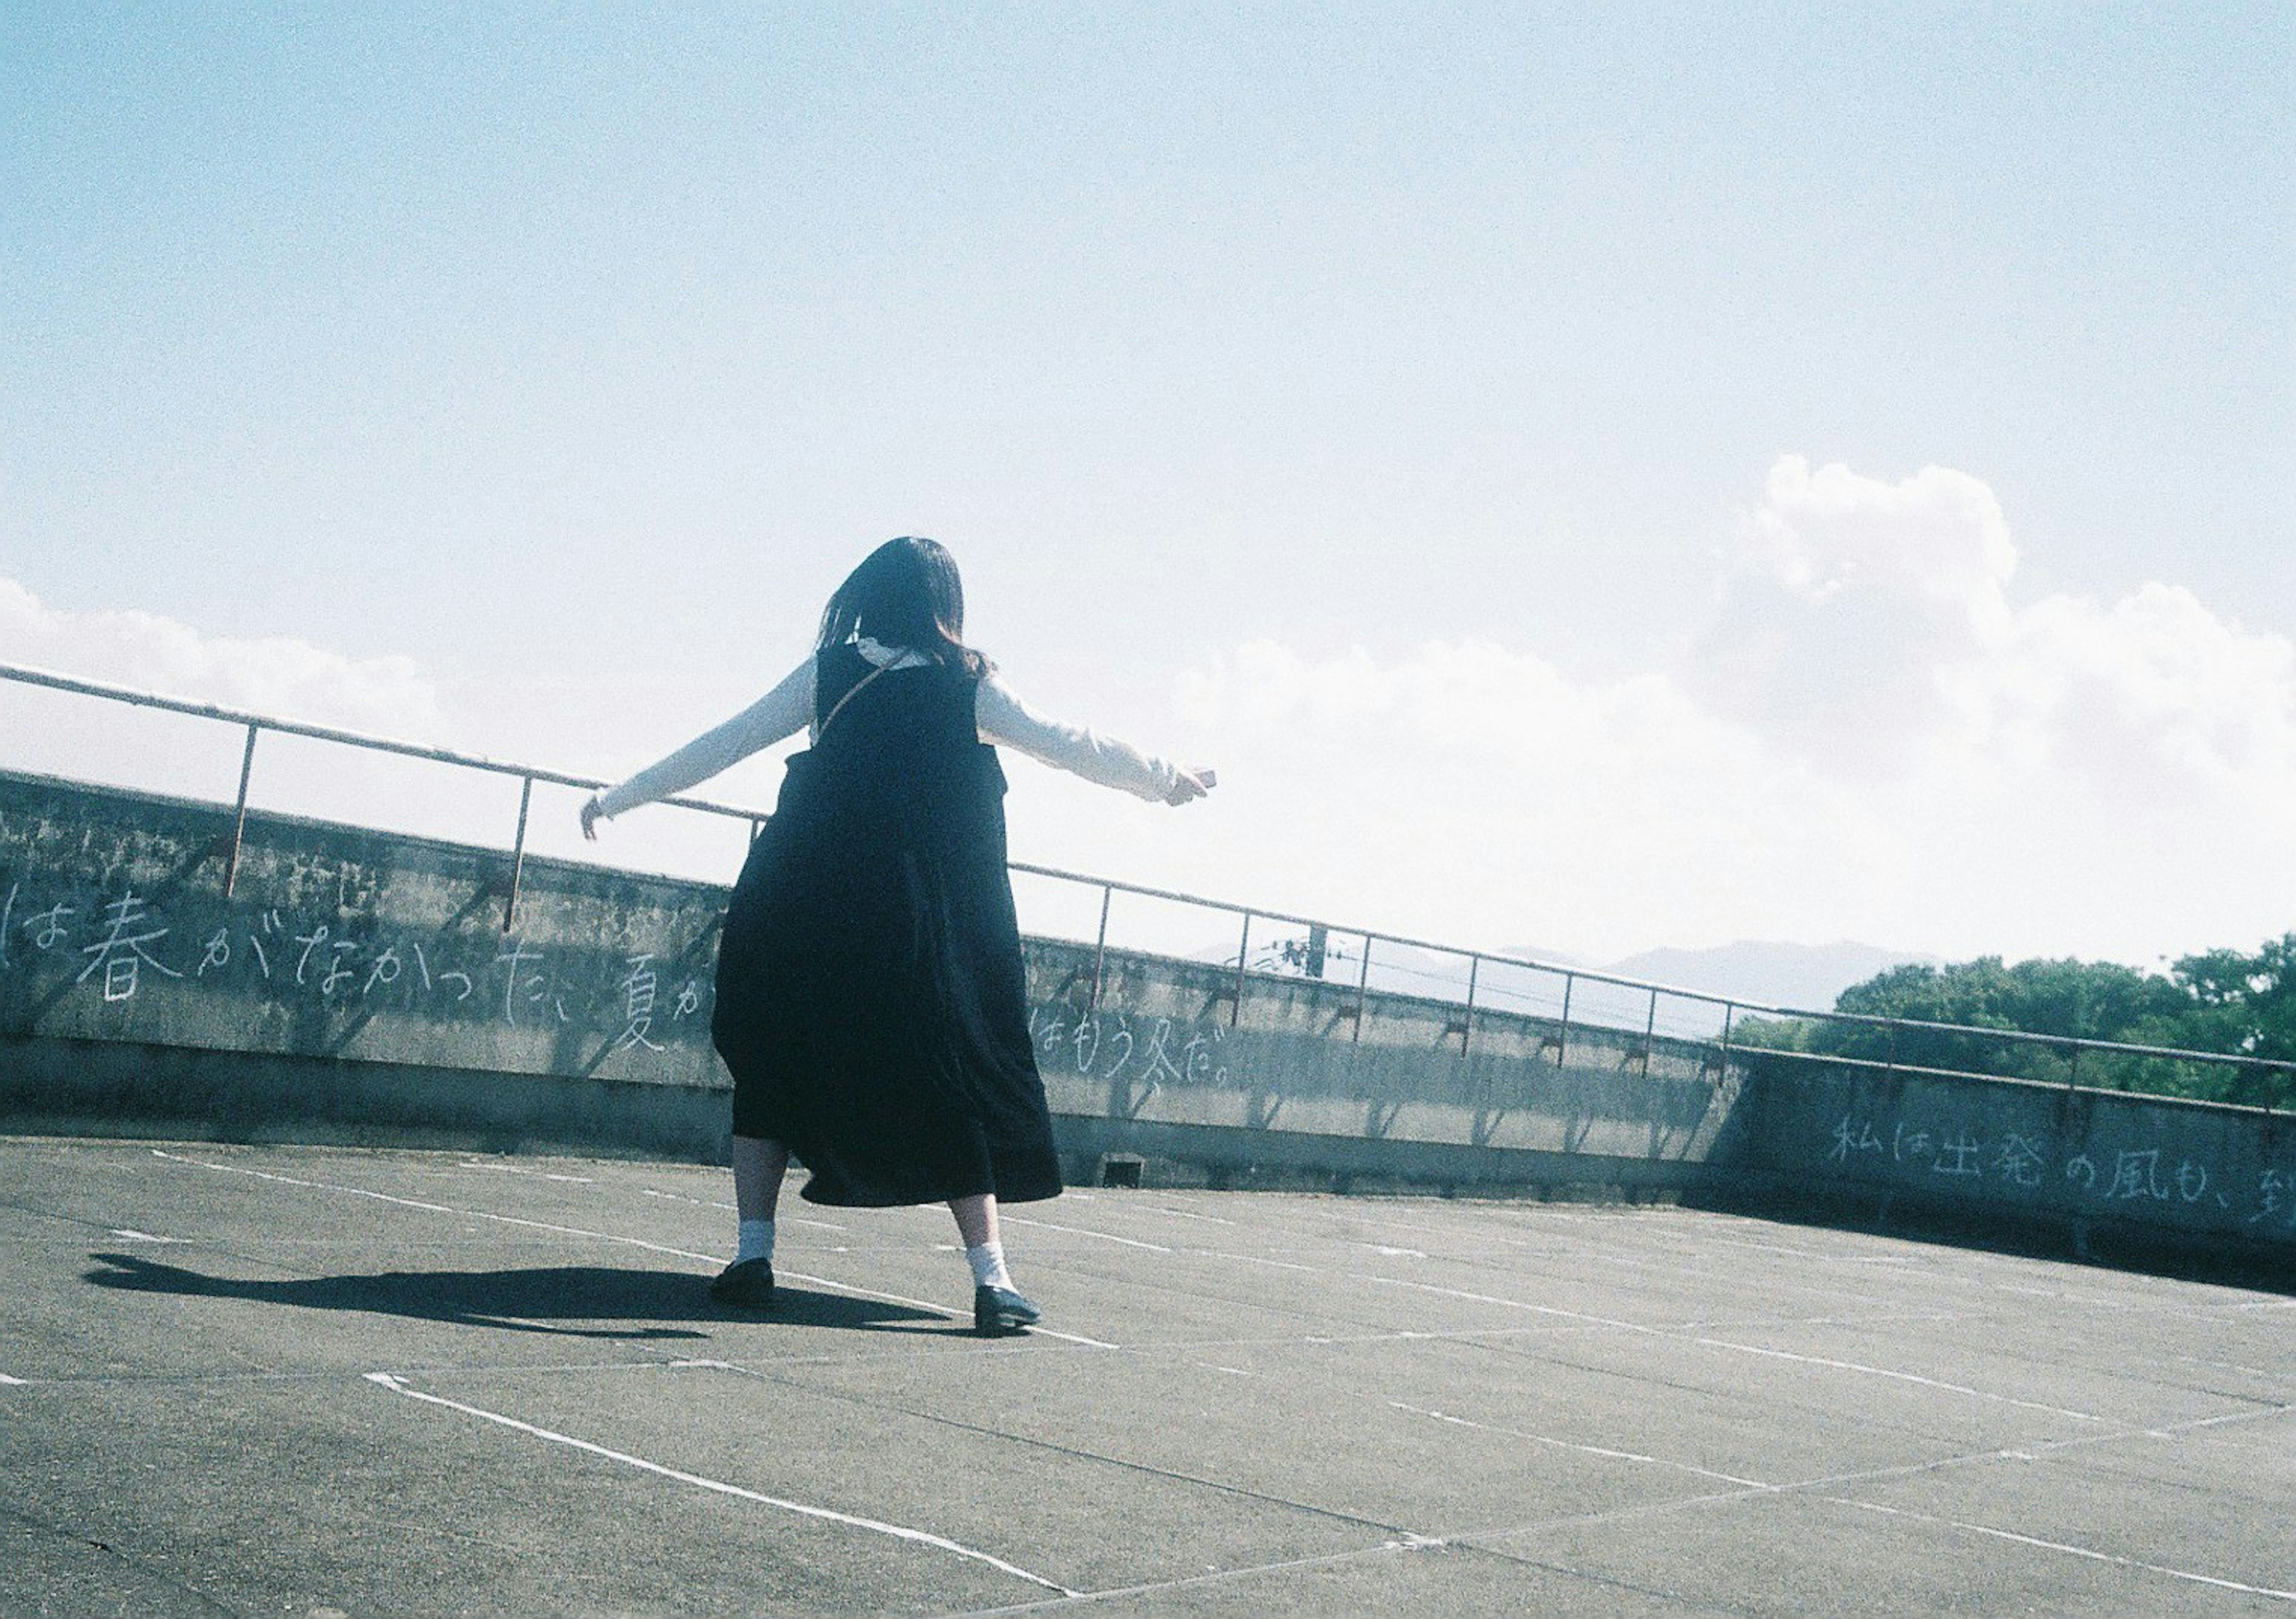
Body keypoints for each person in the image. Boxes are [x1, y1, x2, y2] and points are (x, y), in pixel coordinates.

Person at [581, 537, 1214, 1336]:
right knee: (945, 1076)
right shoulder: (967, 686)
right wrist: (1166, 780)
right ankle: (992, 1280)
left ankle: (752, 1257)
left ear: (867, 596)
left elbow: (727, 740)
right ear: (945, 603)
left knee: (772, 1065)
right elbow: (1075, 745)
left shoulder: (829, 672)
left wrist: (621, 797)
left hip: (797, 901)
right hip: (908, 917)